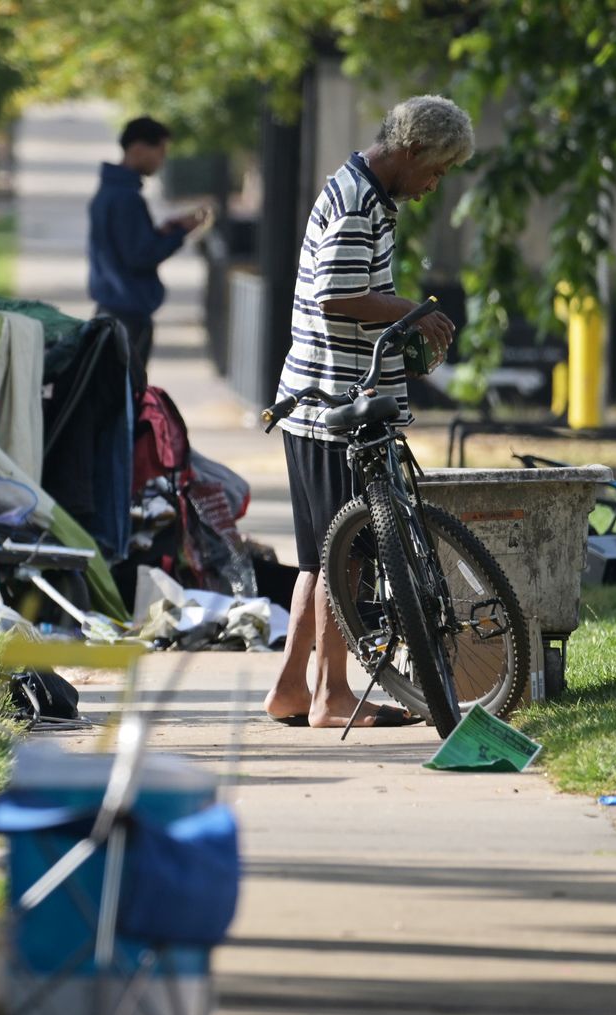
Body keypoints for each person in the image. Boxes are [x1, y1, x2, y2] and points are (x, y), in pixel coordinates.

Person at [263, 94, 472, 728]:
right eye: (434, 171)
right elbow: (339, 295)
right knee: (344, 558)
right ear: (411, 152)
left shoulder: (360, 190)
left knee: (318, 557)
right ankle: (332, 696)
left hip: (313, 399)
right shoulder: (359, 206)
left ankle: (291, 690)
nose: (433, 186)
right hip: (335, 404)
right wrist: (415, 310)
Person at [86, 116, 207, 391]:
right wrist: (178, 234)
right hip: (128, 312)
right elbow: (140, 255)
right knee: (127, 396)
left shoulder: (110, 191)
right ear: (139, 148)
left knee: (113, 393)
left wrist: (168, 230)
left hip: (111, 308)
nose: (161, 160)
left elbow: (130, 245)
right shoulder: (125, 197)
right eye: (160, 152)